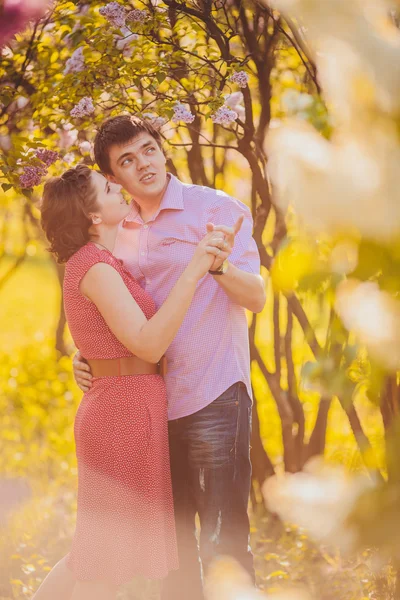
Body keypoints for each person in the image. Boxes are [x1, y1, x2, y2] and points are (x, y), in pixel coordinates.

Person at [73, 116, 266, 600]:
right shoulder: (121, 228)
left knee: (223, 545)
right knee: (171, 558)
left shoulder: (214, 208)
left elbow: (257, 297)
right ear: (114, 178)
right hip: (152, 409)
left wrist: (217, 264)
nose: (144, 165)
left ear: (162, 149)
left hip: (214, 396)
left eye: (148, 150)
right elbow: (119, 307)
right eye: (127, 162)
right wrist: (90, 356)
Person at [34, 163, 228, 600]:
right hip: (121, 418)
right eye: (108, 187)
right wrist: (194, 270)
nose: (118, 187)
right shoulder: (96, 266)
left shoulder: (100, 262)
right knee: (106, 567)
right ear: (93, 217)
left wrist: (94, 360)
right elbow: (147, 344)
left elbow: (108, 337)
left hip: (125, 409)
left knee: (94, 556)